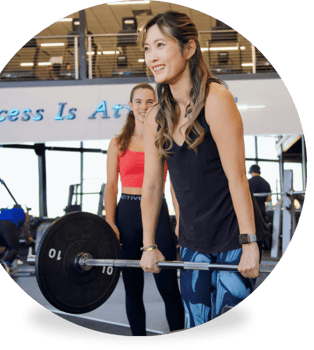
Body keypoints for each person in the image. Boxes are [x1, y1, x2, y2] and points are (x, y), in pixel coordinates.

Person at [138, 11, 264, 328]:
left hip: (233, 239)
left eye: (160, 45)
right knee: (196, 323)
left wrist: (250, 244)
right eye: (147, 49)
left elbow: (237, 177)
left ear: (189, 48)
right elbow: (152, 187)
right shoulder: (155, 117)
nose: (152, 57)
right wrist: (149, 245)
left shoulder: (216, 99)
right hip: (193, 242)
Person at [105, 82, 185, 336]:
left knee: (168, 285)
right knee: (133, 287)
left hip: (158, 212)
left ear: (157, 105)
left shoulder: (164, 140)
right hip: (126, 213)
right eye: (138, 101)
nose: (143, 106)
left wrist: (180, 219)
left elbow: (174, 186)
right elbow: (110, 186)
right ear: (130, 106)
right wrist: (110, 222)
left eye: (150, 101)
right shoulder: (118, 143)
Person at [0, 205, 34, 275]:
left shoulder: (5, 211)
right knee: (14, 247)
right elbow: (26, 233)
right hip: (8, 226)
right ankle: (6, 265)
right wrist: (29, 240)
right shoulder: (24, 214)